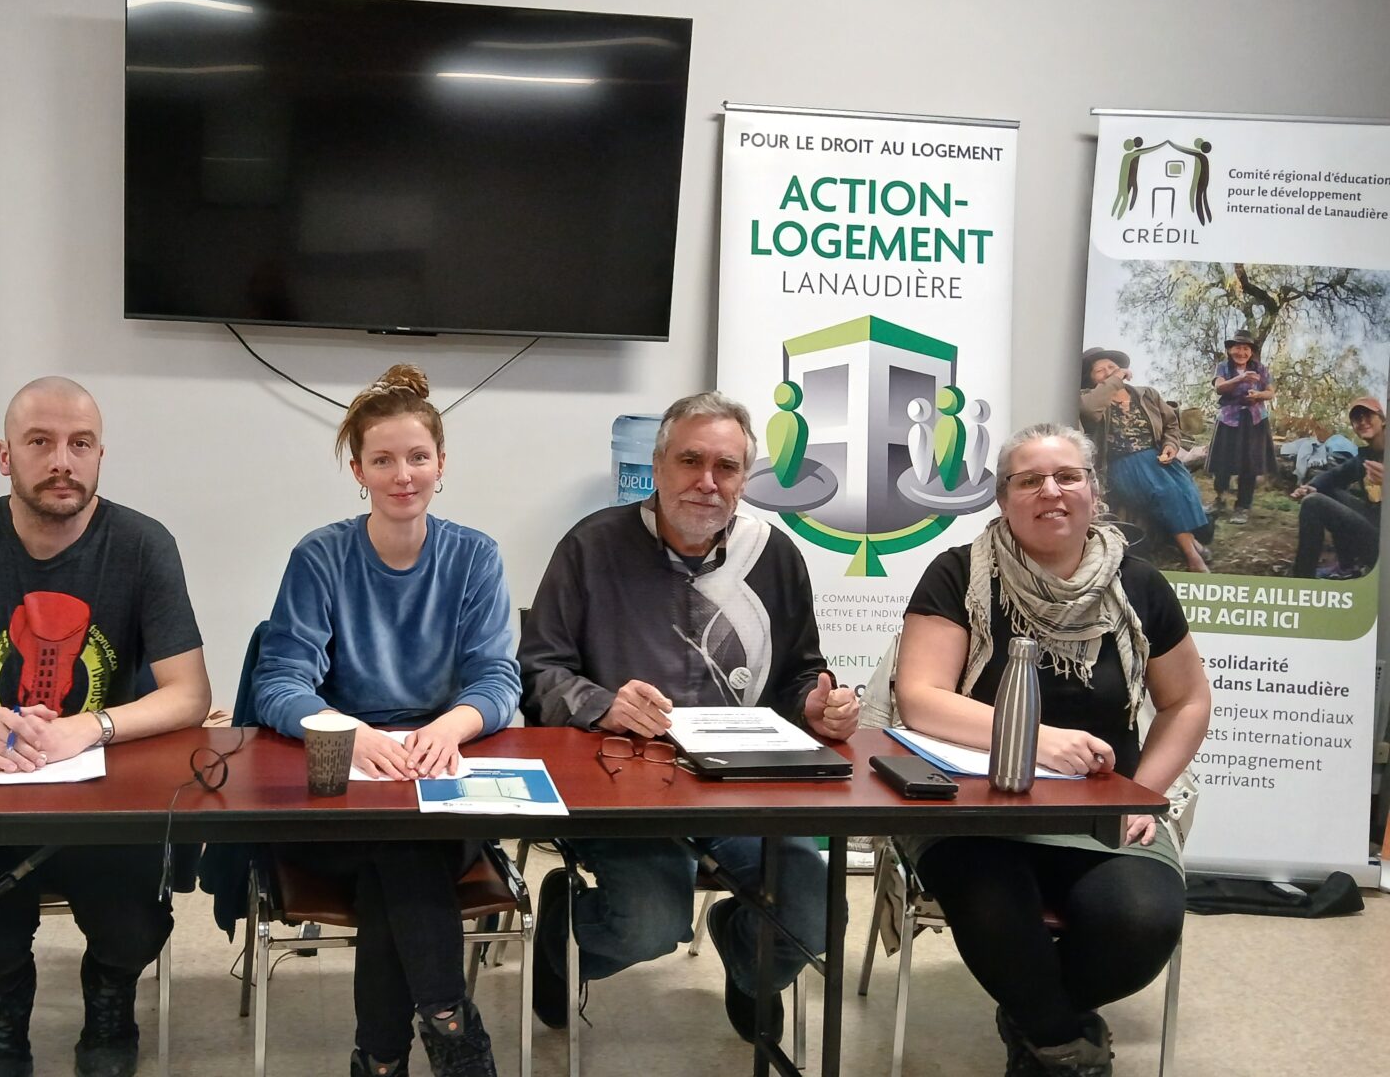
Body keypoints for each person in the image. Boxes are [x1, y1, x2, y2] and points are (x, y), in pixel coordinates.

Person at [0, 376, 211, 1077]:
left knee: (134, 928)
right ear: (4, 455)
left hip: (104, 790)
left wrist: (94, 725)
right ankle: (4, 1001)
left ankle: (109, 992)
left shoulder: (143, 545)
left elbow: (190, 694)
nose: (63, 461)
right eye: (40, 442)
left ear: (100, 455)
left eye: (80, 444)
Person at [518, 390, 859, 1043]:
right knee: (648, 922)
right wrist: (602, 703)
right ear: (659, 464)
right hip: (623, 784)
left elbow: (797, 674)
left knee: (816, 917)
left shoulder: (774, 556)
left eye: (726, 468)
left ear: (744, 478)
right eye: (690, 461)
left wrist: (816, 704)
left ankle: (745, 957)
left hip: (745, 789)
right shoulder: (592, 548)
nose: (706, 482)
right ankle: (566, 933)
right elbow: (538, 671)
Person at [893, 423, 1209, 1077]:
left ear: (1094, 491)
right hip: (971, 812)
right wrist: (1037, 740)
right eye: (1028, 480)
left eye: (1067, 476)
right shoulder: (959, 575)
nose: (1050, 491)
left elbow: (1187, 702)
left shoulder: (1141, 585)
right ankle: (1063, 1047)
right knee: (992, 909)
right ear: (1003, 498)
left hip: (1100, 811)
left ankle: (1033, 1015)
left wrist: (1142, 791)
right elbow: (920, 697)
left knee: (1140, 925)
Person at [252, 364, 519, 1077]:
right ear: (358, 470)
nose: (403, 474)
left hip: (441, 784)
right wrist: (355, 733)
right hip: (343, 791)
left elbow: (498, 679)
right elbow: (278, 681)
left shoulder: (475, 557)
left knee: (397, 865)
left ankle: (379, 1057)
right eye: (383, 460)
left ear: (441, 465)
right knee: (400, 853)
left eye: (418, 457)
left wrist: (450, 726)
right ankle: (452, 1025)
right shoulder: (321, 555)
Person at [1077, 347, 1211, 572]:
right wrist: (1114, 381)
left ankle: (1192, 542)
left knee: (1186, 489)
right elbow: (1089, 411)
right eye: (1100, 371)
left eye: (1112, 367)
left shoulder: (1147, 394)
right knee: (1165, 492)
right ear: (1092, 379)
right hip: (1123, 463)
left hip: (1156, 458)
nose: (1108, 372)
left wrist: (1170, 445)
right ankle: (1192, 556)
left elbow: (1171, 424)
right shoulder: (1090, 399)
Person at [1289, 396, 1385, 579]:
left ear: (1382, 419)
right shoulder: (1366, 457)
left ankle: (1301, 579)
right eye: (1357, 418)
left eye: (1368, 415)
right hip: (1373, 528)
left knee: (1313, 504)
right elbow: (1334, 476)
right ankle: (1347, 567)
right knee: (1325, 491)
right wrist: (1310, 487)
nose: (1363, 421)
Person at [1206, 329, 1276, 524]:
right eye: (1237, 348)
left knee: (1249, 465)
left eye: (1246, 349)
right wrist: (1241, 379)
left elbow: (1270, 392)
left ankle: (1243, 507)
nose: (1241, 353)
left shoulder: (1261, 369)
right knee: (1222, 463)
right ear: (1230, 350)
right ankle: (1220, 500)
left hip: (1254, 421)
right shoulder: (1222, 368)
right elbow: (1219, 388)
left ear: (1251, 352)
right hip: (1229, 419)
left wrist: (1258, 396)